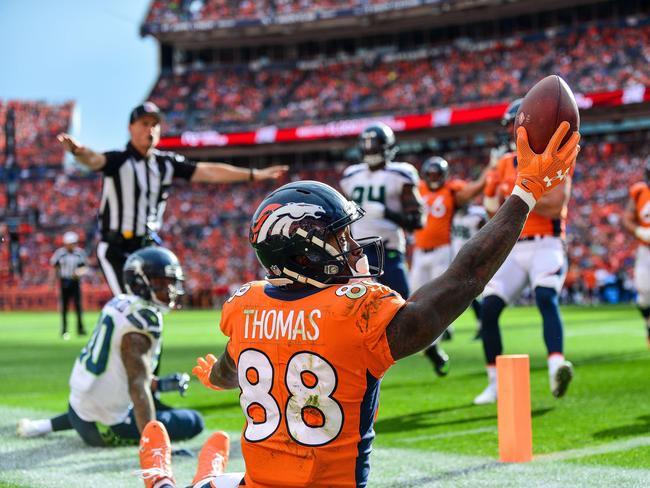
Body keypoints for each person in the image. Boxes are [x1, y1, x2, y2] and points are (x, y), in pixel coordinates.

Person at [135, 121, 579, 488]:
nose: (353, 247)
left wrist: (216, 378)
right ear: (303, 252)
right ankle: (169, 480)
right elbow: (465, 278)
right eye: (338, 238)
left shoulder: (246, 305)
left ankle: (170, 482)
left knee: (222, 483)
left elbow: (232, 366)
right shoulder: (358, 312)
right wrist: (526, 192)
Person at [57, 101, 288, 296]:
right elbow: (95, 160)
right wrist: (79, 151)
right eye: (145, 124)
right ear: (131, 128)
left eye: (155, 124)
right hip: (116, 248)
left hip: (147, 247)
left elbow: (207, 171)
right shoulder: (119, 160)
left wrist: (252, 174)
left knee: (154, 306)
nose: (151, 129)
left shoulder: (165, 163)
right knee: (130, 307)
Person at [17, 247, 203, 446]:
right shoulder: (144, 319)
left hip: (78, 408)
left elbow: (119, 370)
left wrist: (161, 384)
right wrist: (154, 447)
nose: (170, 289)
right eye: (161, 282)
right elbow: (137, 385)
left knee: (97, 405)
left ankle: (40, 426)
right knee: (193, 421)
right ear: (140, 282)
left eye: (171, 282)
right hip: (106, 425)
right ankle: (141, 442)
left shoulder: (119, 302)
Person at [474, 100, 576, 405]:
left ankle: (556, 364)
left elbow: (556, 203)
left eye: (514, 124)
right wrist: (495, 189)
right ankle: (494, 383)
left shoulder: (553, 158)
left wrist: (518, 192)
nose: (510, 131)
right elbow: (493, 212)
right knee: (488, 310)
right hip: (514, 247)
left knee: (546, 297)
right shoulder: (505, 163)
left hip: (546, 242)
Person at [411, 156, 489, 370]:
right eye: (431, 175)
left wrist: (491, 166)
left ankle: (433, 343)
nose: (434, 178)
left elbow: (472, 191)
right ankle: (423, 340)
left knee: (436, 297)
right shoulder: (418, 188)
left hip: (442, 250)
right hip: (419, 251)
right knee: (412, 297)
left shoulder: (451, 190)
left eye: (438, 175)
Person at [339, 122, 424, 300]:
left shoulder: (400, 174)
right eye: (367, 146)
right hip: (358, 249)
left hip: (389, 247)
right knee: (359, 302)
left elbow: (417, 222)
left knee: (399, 300)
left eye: (375, 146)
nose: (370, 151)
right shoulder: (351, 176)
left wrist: (387, 213)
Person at [622, 156, 650, 348]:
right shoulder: (640, 191)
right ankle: (648, 324)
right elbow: (627, 219)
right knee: (644, 293)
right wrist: (640, 231)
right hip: (646, 250)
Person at [451, 202, 488, 339]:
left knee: (472, 294)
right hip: (457, 259)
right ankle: (481, 325)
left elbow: (487, 233)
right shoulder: (453, 214)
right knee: (468, 295)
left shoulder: (477, 214)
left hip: (473, 259)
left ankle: (483, 325)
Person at [50, 231, 88, 339]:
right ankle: (64, 330)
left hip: (75, 282)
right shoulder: (60, 253)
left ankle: (80, 329)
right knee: (64, 307)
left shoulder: (79, 253)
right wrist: (52, 282)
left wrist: (79, 272)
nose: (72, 245)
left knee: (78, 306)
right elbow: (55, 267)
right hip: (64, 281)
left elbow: (84, 267)